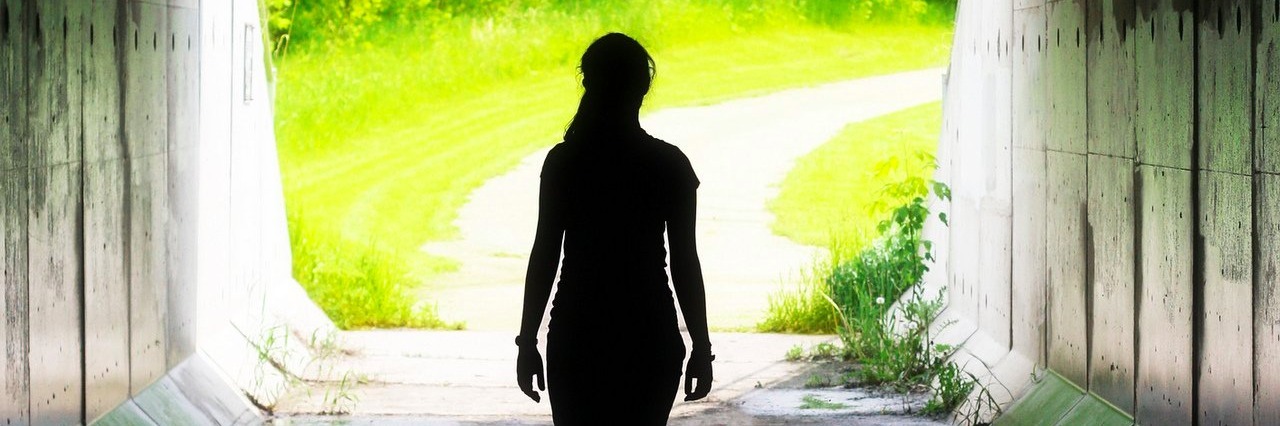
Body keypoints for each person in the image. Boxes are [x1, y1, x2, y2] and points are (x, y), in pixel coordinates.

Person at [514, 33, 714, 425]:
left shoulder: (565, 162)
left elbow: (545, 255)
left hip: (577, 334)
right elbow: (684, 264)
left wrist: (527, 343)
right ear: (643, 88)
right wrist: (701, 348)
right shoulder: (668, 165)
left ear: (588, 83)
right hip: (649, 335)